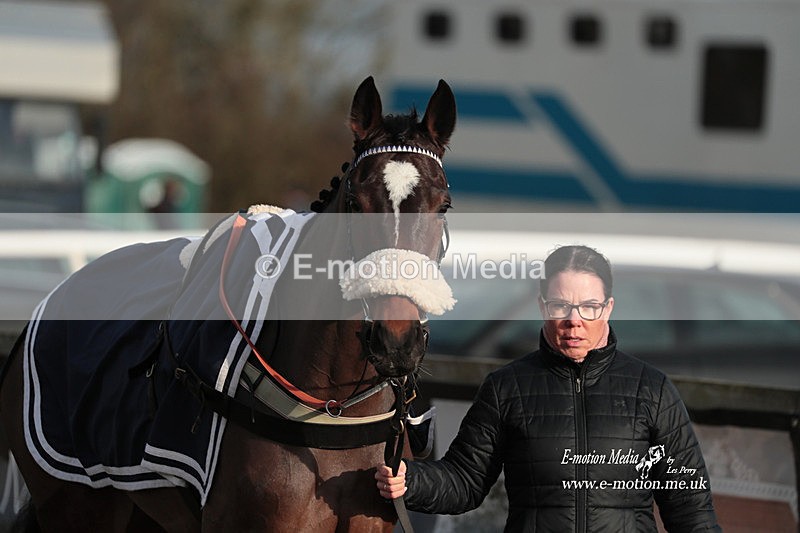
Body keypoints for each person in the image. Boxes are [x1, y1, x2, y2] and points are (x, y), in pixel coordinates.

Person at [376, 245, 720, 532]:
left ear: (608, 308)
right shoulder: (506, 387)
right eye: (560, 306)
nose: (574, 319)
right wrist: (411, 479)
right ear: (542, 307)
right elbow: (465, 480)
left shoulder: (652, 389)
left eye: (589, 306)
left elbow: (691, 511)